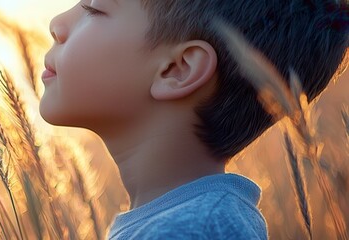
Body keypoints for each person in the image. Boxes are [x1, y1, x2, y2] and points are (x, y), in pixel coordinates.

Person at [39, 0, 348, 239]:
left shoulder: (191, 229)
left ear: (178, 69)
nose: (57, 24)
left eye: (94, 9)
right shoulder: (190, 220)